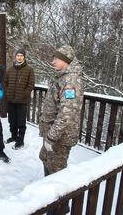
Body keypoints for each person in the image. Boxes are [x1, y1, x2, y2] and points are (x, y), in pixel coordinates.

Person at [39, 45, 83, 175]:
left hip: (60, 137)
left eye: (56, 59)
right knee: (47, 161)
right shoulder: (62, 78)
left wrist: (51, 138)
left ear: (66, 60)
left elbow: (66, 114)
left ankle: (55, 195)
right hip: (53, 133)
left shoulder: (71, 81)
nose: (53, 62)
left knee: (56, 170)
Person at [4, 48, 35, 150]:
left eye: (21, 55)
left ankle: (20, 141)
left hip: (22, 101)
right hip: (11, 101)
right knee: (12, 121)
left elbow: (30, 85)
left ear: (24, 57)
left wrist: (23, 94)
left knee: (21, 122)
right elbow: (5, 83)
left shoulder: (29, 70)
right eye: (18, 55)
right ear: (15, 57)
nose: (19, 57)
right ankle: (13, 136)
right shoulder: (10, 69)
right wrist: (8, 93)